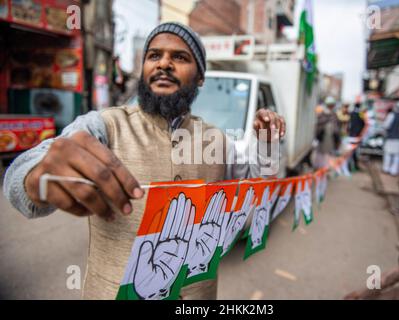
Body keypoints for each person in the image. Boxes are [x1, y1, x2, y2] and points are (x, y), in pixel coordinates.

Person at [2, 22, 286, 300]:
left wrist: (266, 142)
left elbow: (258, 188)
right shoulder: (104, 125)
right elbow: (20, 179)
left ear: (200, 77)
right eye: (154, 55)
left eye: (179, 57)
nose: (163, 63)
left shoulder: (218, 140)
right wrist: (36, 176)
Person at [312, 96, 341, 169]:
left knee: (326, 156)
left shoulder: (331, 115)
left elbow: (336, 129)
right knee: (322, 155)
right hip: (323, 139)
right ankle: (321, 170)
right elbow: (318, 126)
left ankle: (323, 170)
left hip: (329, 140)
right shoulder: (324, 114)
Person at [382, 100, 399, 176]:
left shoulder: (392, 115)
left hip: (391, 138)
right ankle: (394, 171)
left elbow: (386, 126)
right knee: (397, 156)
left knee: (388, 154)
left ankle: (386, 169)